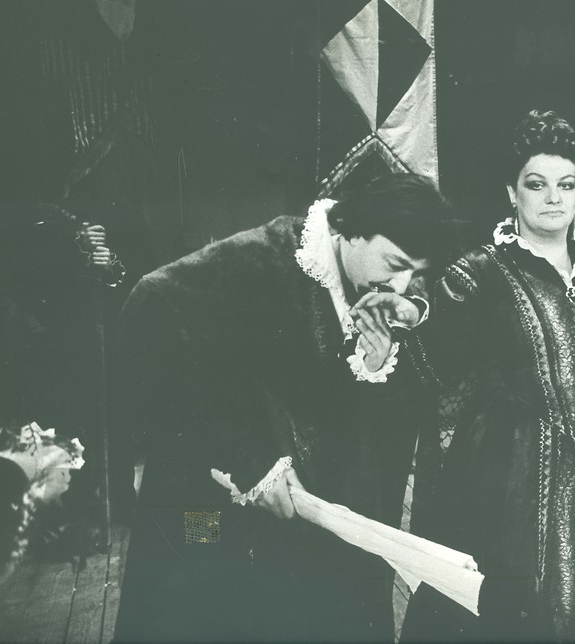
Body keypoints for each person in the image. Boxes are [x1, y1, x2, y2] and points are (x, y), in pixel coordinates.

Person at [359, 110, 575, 642]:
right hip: (505, 481)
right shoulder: (480, 274)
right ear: (512, 193)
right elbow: (434, 366)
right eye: (537, 184)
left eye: (566, 184)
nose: (553, 197)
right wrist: (394, 340)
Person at [112, 173, 453, 642]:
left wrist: (370, 365)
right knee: (200, 610)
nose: (401, 284)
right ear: (352, 230)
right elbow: (148, 309)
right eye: (396, 265)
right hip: (205, 503)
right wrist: (248, 460)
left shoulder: (373, 280)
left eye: (415, 273)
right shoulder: (262, 257)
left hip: (292, 521)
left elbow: (320, 398)